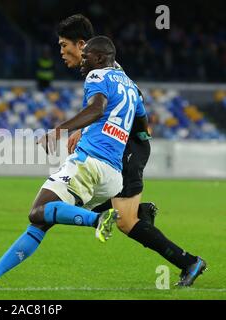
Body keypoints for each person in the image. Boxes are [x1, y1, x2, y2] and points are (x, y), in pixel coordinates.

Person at [0, 36, 141, 287]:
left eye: (87, 56)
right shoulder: (131, 86)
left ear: (100, 59)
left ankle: (99, 220)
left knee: (37, 211)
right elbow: (143, 127)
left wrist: (59, 130)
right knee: (41, 221)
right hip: (113, 176)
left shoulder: (97, 76)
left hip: (89, 163)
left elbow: (96, 108)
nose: (82, 61)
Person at [58, 14, 206, 287]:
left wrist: (137, 134)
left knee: (125, 222)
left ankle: (190, 262)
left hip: (126, 147)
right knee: (86, 200)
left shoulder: (99, 70)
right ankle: (142, 212)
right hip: (125, 144)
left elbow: (129, 100)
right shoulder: (108, 67)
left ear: (81, 45)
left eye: (64, 45)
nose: (61, 53)